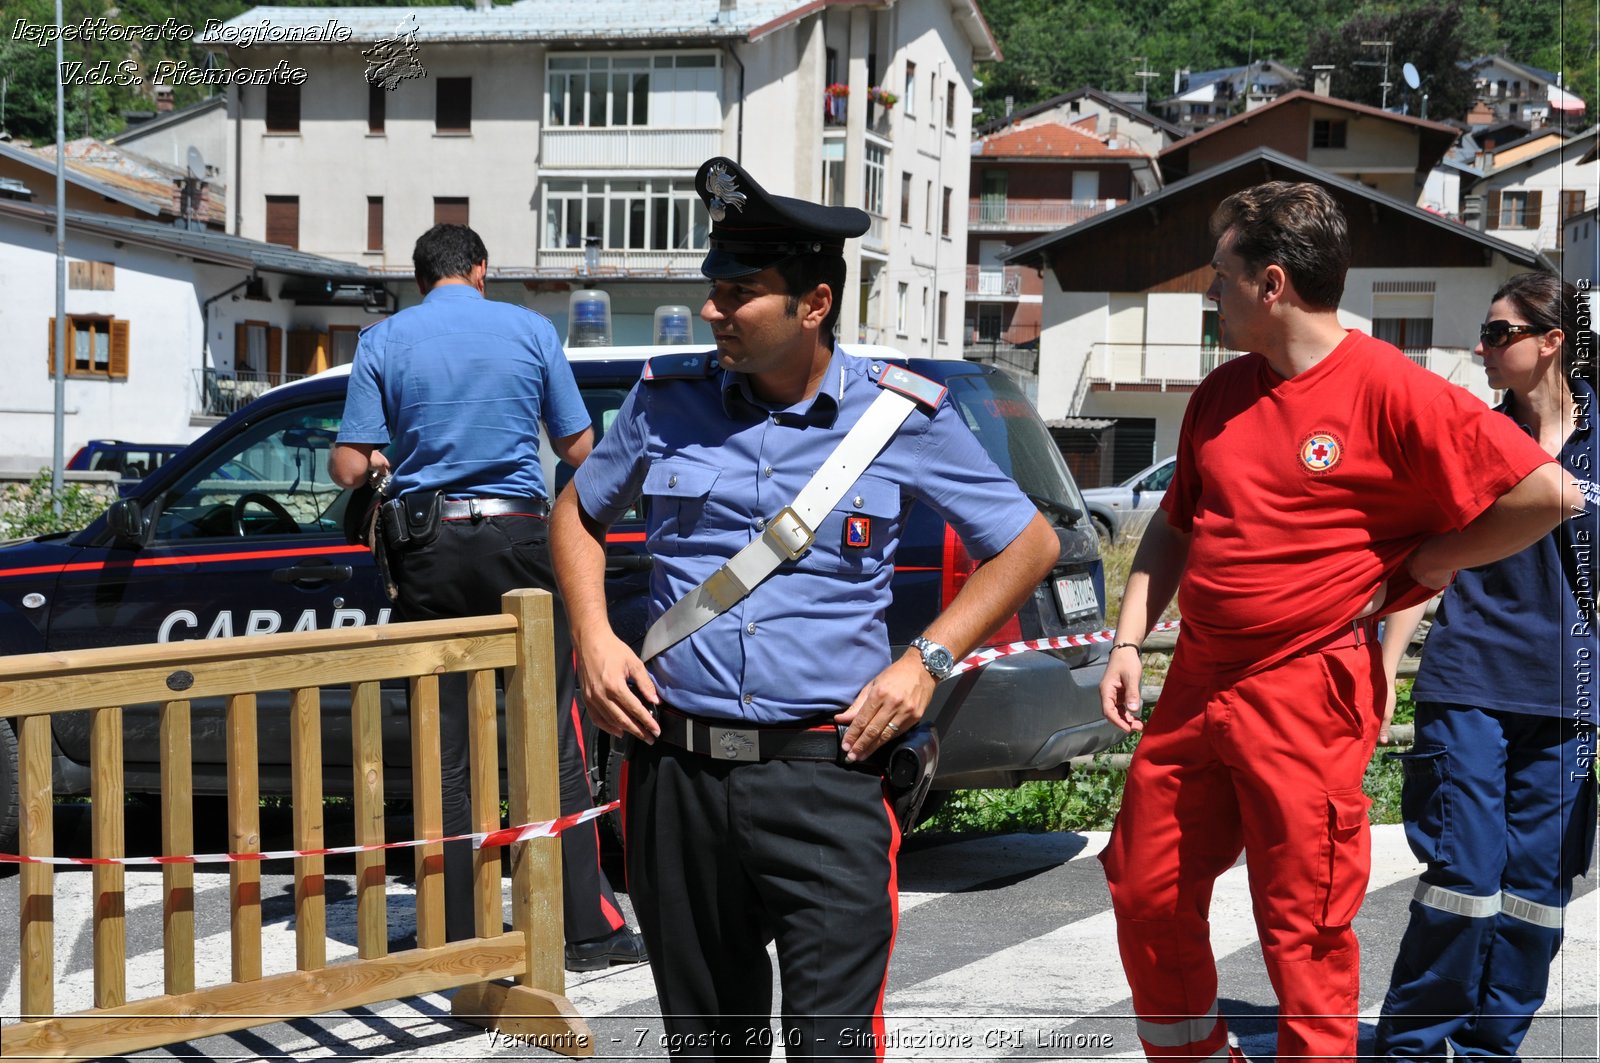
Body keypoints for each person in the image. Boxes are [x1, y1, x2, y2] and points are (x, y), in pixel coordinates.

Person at [550, 157, 1060, 1058]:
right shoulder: (665, 401)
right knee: (709, 1045)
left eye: (739, 292)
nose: (713, 310)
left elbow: (1027, 545)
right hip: (679, 774)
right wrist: (594, 640)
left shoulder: (901, 415)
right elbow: (576, 513)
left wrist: (925, 661)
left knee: (831, 1044)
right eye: (713, 288)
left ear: (813, 304)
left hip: (826, 774)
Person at [1096, 181, 1569, 1062]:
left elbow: (1547, 492)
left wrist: (1430, 562)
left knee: (1302, 926)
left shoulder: (1393, 389)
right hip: (1197, 677)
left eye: (1220, 274)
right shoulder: (1222, 393)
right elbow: (1173, 521)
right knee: (1144, 885)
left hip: (1305, 685)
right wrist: (1130, 637)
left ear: (1270, 283)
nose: (1210, 293)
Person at [329, 223, 646, 971]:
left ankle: (454, 930)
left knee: (445, 742)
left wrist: (383, 456)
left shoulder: (384, 340)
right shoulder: (530, 329)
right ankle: (588, 929)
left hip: (429, 550)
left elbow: (349, 465)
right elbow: (578, 450)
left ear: (421, 279)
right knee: (553, 728)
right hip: (520, 542)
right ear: (479, 270)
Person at [1374, 272, 1597, 1060]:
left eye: (1500, 333)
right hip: (1468, 679)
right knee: (1462, 875)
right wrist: (1384, 668)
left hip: (1570, 699)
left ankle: (1489, 1050)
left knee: (1537, 892)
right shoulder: (1469, 434)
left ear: (1551, 342)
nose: (1484, 347)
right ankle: (1411, 1047)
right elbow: (1421, 565)